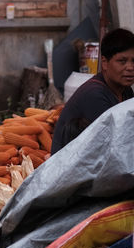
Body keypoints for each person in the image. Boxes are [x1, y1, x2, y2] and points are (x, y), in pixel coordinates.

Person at [51, 27, 134, 155]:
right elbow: (118, 145)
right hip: (71, 170)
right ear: (105, 63)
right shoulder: (94, 95)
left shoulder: (126, 91)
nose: (130, 67)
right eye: (122, 61)